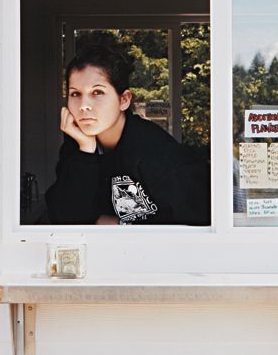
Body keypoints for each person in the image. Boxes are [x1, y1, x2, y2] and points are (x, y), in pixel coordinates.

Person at [45, 35, 210, 225]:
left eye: (97, 92)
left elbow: (196, 218)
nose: (83, 105)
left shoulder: (155, 151)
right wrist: (85, 152)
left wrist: (113, 224)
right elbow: (64, 216)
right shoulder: (78, 144)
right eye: (75, 94)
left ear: (124, 100)